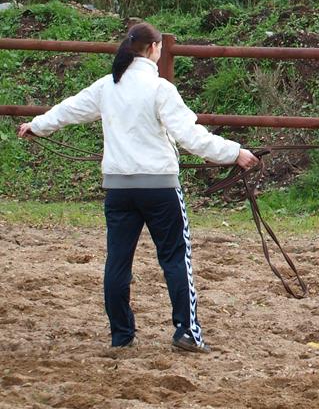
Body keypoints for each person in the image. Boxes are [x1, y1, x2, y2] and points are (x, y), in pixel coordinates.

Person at [17, 22, 259, 354]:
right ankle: (187, 331)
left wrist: (36, 126)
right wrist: (236, 153)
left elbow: (68, 110)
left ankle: (121, 335)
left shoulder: (107, 87)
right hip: (160, 188)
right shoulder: (160, 89)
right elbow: (192, 137)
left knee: (117, 261)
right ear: (153, 49)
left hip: (119, 189)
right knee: (175, 258)